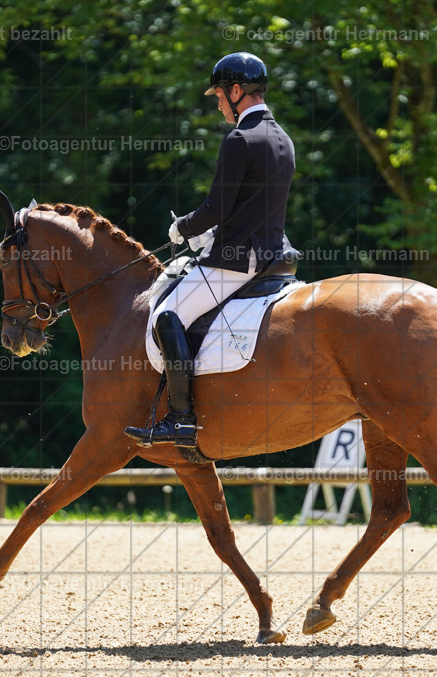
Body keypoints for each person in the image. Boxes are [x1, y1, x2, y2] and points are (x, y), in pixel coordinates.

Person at [125, 52, 296, 448]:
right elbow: (252, 206)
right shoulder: (283, 139)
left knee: (167, 316)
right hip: (274, 257)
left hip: (237, 262)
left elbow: (217, 207)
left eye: (219, 95)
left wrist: (182, 228)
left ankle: (181, 419)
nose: (218, 103)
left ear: (237, 91)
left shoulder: (239, 140)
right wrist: (214, 230)